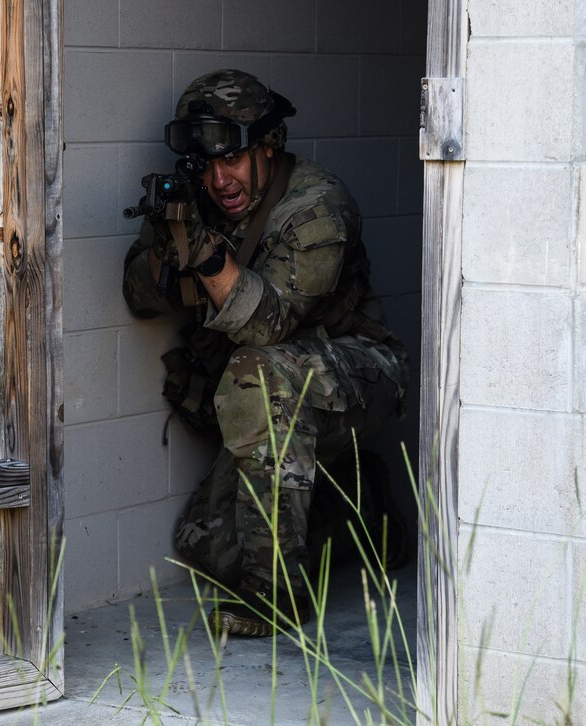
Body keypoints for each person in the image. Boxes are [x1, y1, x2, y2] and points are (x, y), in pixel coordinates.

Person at [122, 69, 409, 637]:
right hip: (273, 391)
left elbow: (266, 325)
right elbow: (138, 299)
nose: (218, 180)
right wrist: (167, 243)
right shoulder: (203, 198)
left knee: (260, 369)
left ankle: (278, 598)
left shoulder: (318, 208)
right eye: (206, 165)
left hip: (359, 372)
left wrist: (205, 256)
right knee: (203, 542)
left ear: (269, 148)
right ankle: (358, 510)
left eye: (232, 160)